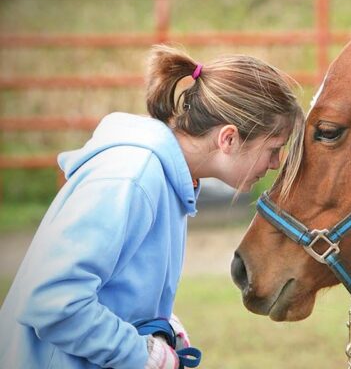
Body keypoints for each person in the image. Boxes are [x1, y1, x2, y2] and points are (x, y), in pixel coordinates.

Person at [0, 45, 304, 368]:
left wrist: (163, 325)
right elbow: (52, 300)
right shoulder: (133, 178)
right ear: (228, 139)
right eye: (274, 148)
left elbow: (114, 286)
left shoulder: (172, 182)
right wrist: (143, 354)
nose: (275, 163)